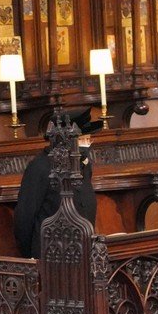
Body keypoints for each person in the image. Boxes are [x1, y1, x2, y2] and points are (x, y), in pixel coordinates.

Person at [14, 108, 101, 258]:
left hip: (82, 254)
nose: (87, 145)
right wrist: (34, 258)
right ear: (65, 140)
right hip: (51, 257)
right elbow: (24, 219)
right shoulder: (40, 167)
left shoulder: (82, 165)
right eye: (82, 140)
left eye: (89, 139)